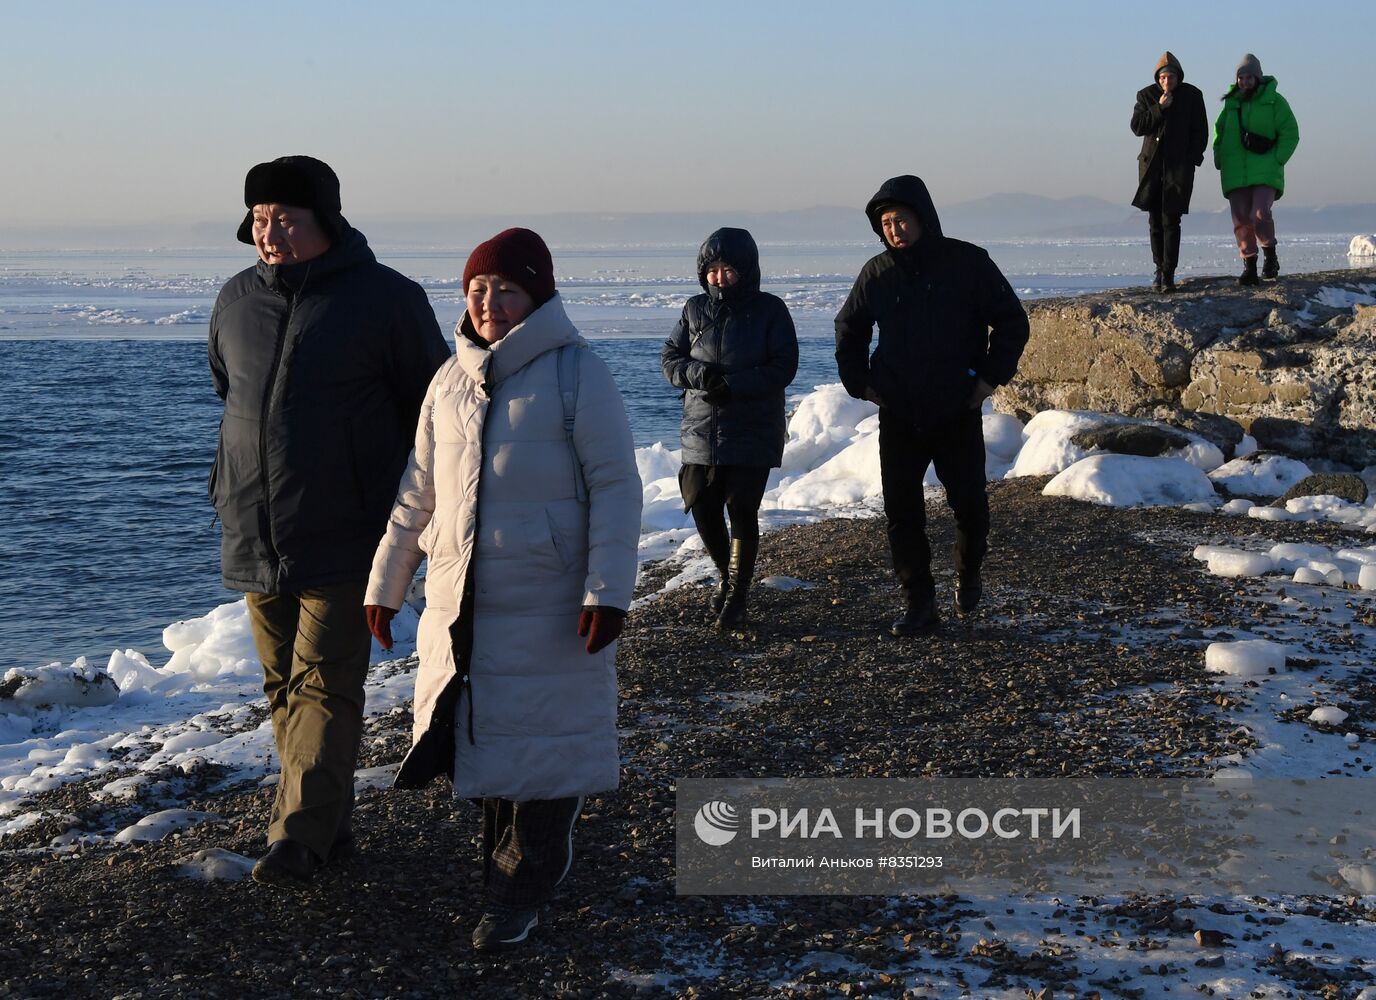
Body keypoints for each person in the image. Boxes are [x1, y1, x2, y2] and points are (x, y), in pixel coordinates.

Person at [363, 228, 641, 952]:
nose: (488, 303)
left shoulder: (579, 373)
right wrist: (386, 583)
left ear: (537, 294)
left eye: (506, 289)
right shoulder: (447, 380)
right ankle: (506, 875)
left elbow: (617, 488)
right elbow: (416, 493)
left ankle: (521, 888)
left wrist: (607, 592)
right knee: (486, 741)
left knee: (543, 750)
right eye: (477, 290)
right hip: (462, 604)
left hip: (550, 602)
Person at [208, 156, 450, 888]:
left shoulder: (388, 301)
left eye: (286, 218)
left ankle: (298, 838)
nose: (268, 232)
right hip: (254, 523)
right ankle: (326, 824)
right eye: (259, 218)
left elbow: (433, 408)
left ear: (327, 222)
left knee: (326, 682)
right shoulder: (236, 299)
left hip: (349, 531)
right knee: (283, 685)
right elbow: (230, 389)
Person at [835, 175, 1029, 638]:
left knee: (969, 505)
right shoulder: (876, 273)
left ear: (923, 218)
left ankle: (968, 571)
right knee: (903, 513)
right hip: (899, 411)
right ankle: (919, 603)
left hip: (955, 408)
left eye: (901, 220)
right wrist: (861, 383)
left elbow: (1011, 323)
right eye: (886, 223)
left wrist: (985, 380)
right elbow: (849, 329)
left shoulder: (967, 263)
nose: (895, 230)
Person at [661, 228, 798, 628]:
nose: (719, 278)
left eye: (728, 270)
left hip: (752, 428)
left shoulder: (770, 310)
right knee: (702, 507)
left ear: (747, 271)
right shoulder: (693, 309)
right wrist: (700, 375)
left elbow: (783, 367)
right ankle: (726, 575)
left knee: (741, 508)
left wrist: (734, 385)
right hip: (701, 429)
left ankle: (736, 598)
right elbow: (670, 359)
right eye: (713, 270)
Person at [1214, 54, 1299, 285]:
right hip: (1235, 170)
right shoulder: (1231, 104)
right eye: (1241, 77)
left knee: (1260, 213)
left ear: (1258, 77)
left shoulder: (1275, 101)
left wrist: (1278, 159)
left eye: (1249, 77)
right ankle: (1249, 266)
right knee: (1241, 220)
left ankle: (1270, 255)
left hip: (1265, 168)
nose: (1244, 81)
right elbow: (1219, 133)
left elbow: (1290, 132)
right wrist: (1219, 156)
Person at [1130, 51, 1209, 293]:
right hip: (1152, 167)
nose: (1167, 82)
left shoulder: (1192, 96)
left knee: (1171, 219)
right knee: (1155, 219)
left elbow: (1201, 131)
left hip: (1178, 168)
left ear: (1178, 77)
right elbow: (1137, 126)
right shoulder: (1146, 96)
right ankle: (1158, 270)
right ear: (1158, 79)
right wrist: (1159, 108)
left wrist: (1192, 159)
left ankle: (1169, 273)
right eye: (1163, 77)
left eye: (1171, 77)